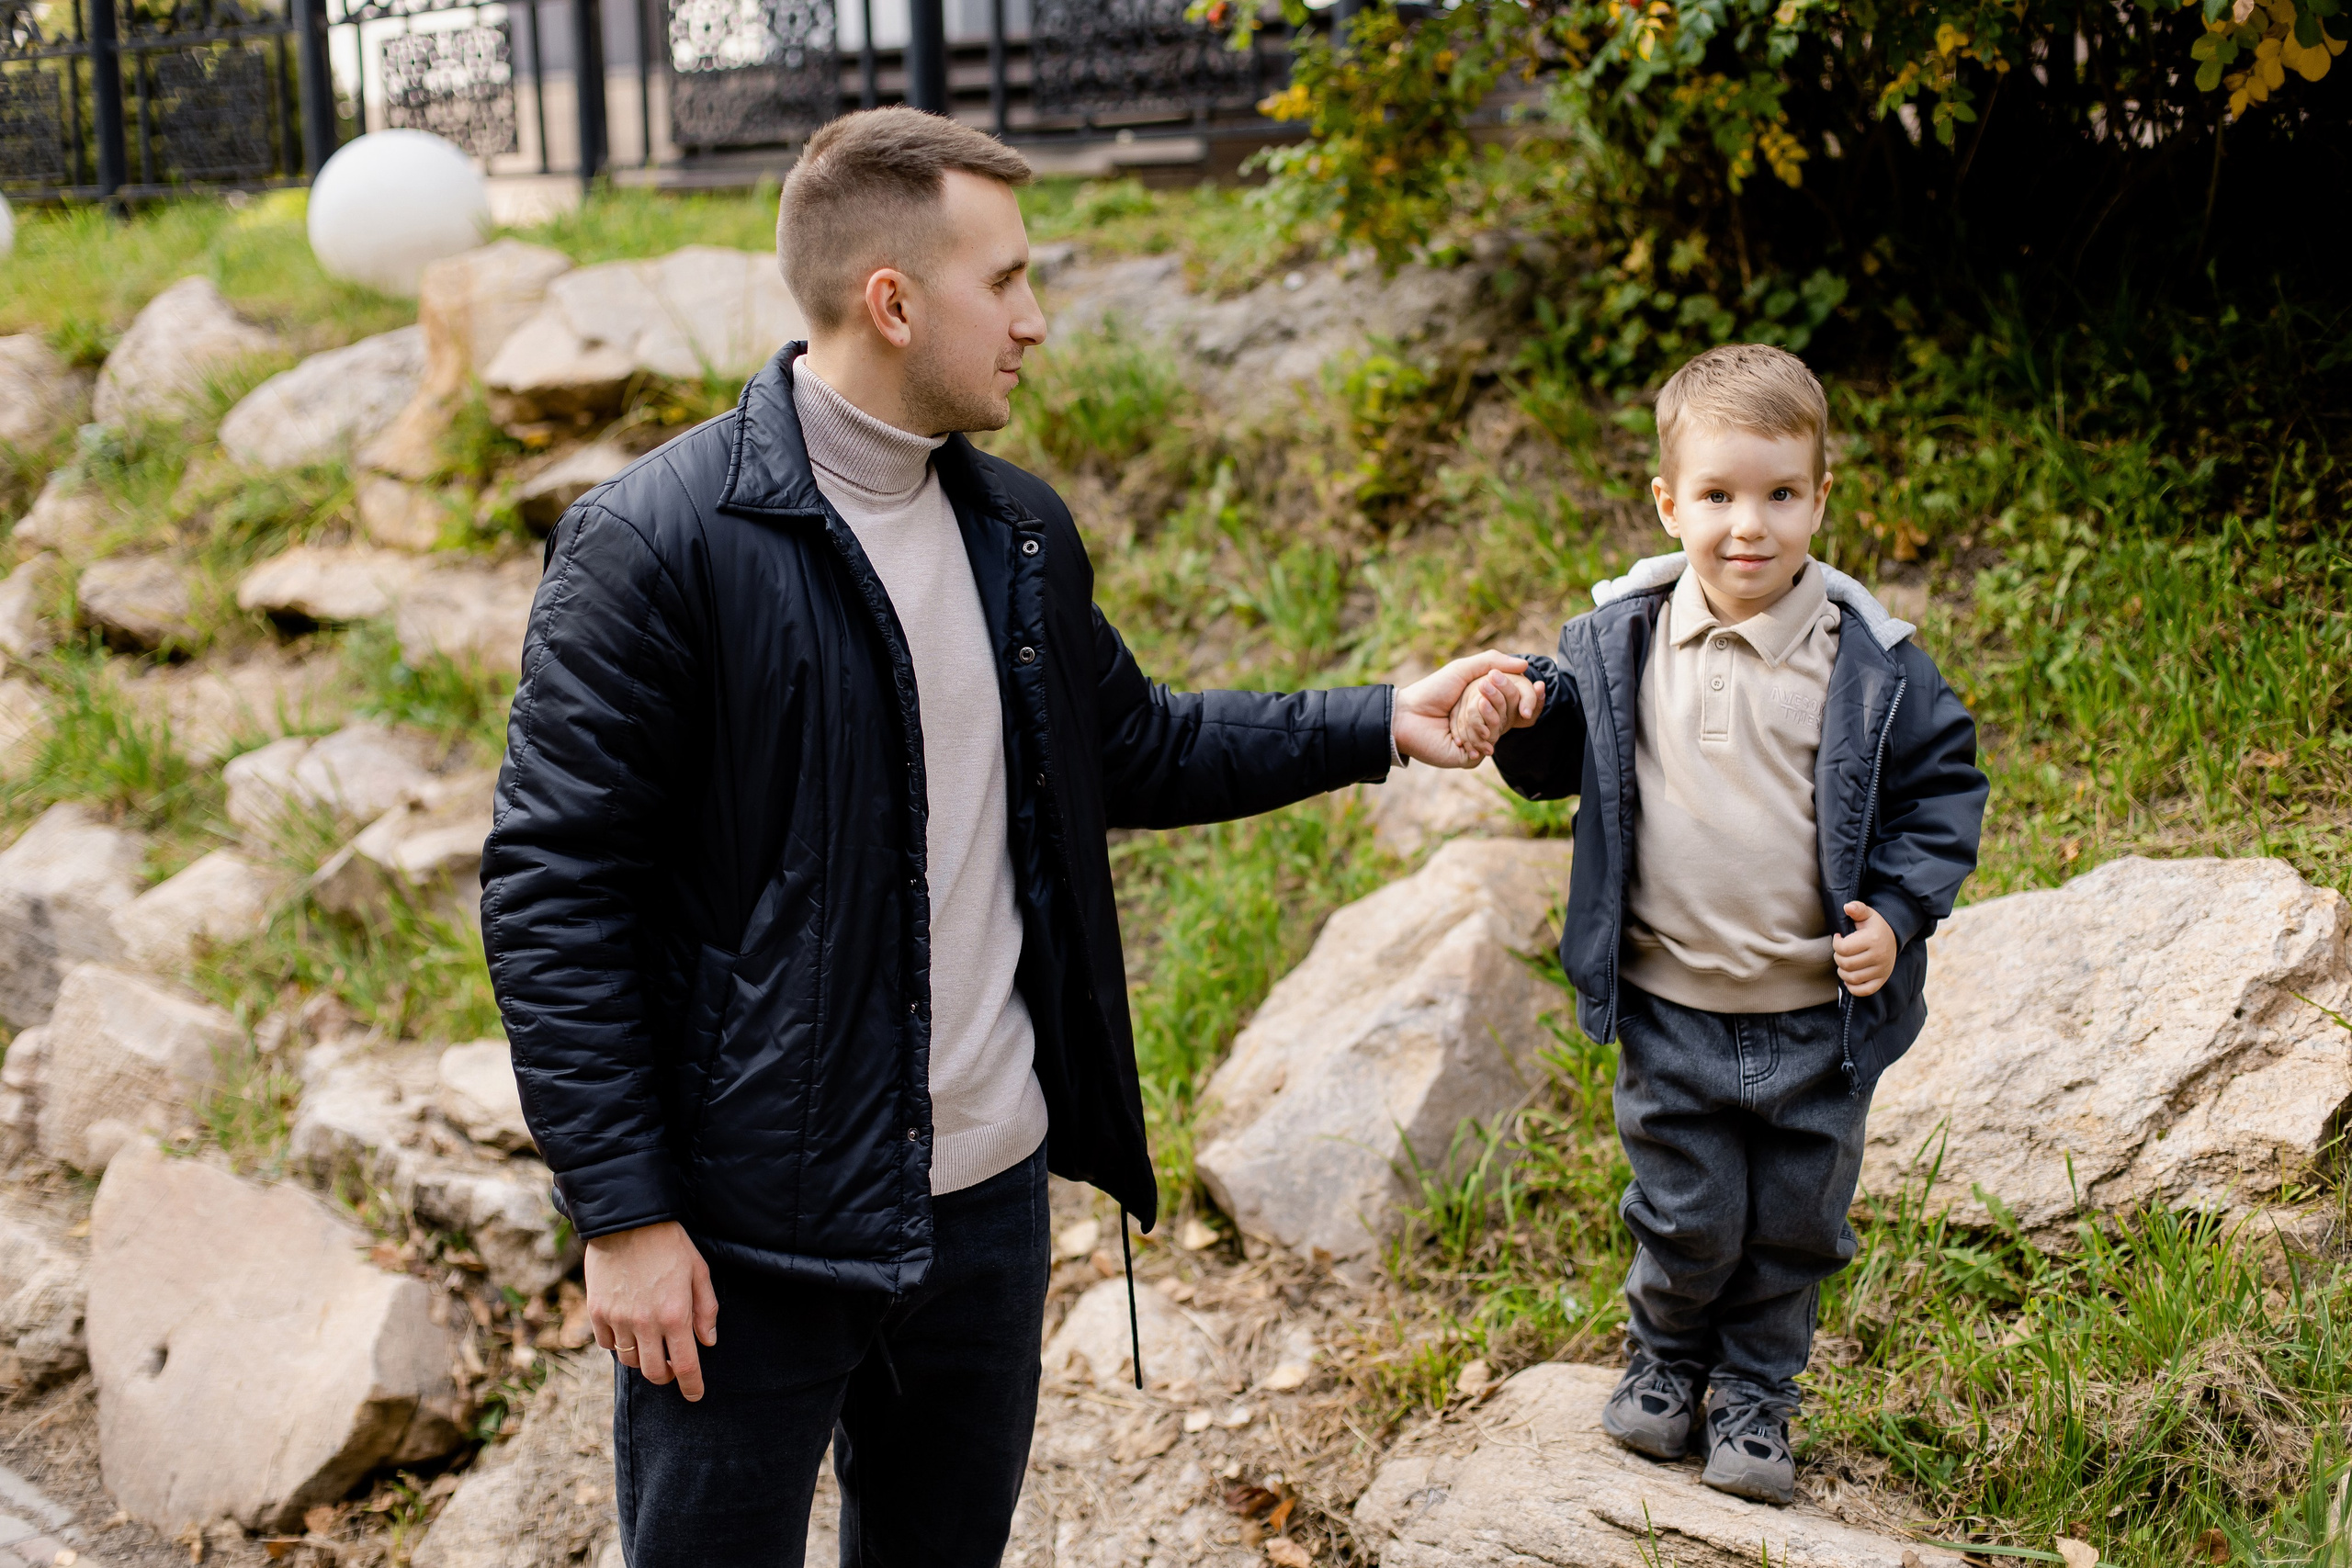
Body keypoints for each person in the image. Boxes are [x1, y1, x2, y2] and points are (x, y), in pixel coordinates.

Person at [480, 106, 1518, 1566]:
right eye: (1008, 281)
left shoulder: (1014, 528)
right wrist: (625, 1212)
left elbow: (1130, 744)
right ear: (892, 302)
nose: (1036, 322)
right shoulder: (658, 539)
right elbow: (552, 892)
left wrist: (1379, 719)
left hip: (987, 1205)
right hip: (745, 1239)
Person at [1448, 343, 1988, 1505]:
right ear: (1667, 501)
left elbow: (1942, 794)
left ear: (1821, 496)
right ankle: (1664, 1359)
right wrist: (1516, 715)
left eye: (1780, 494)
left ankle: (1754, 1394)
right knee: (1686, 1212)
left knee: (1795, 1222)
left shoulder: (1873, 664)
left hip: (1817, 1019)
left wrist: (1895, 912)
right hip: (1671, 1007)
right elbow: (1553, 763)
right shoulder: (1619, 641)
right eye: (1717, 496)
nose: (1749, 526)